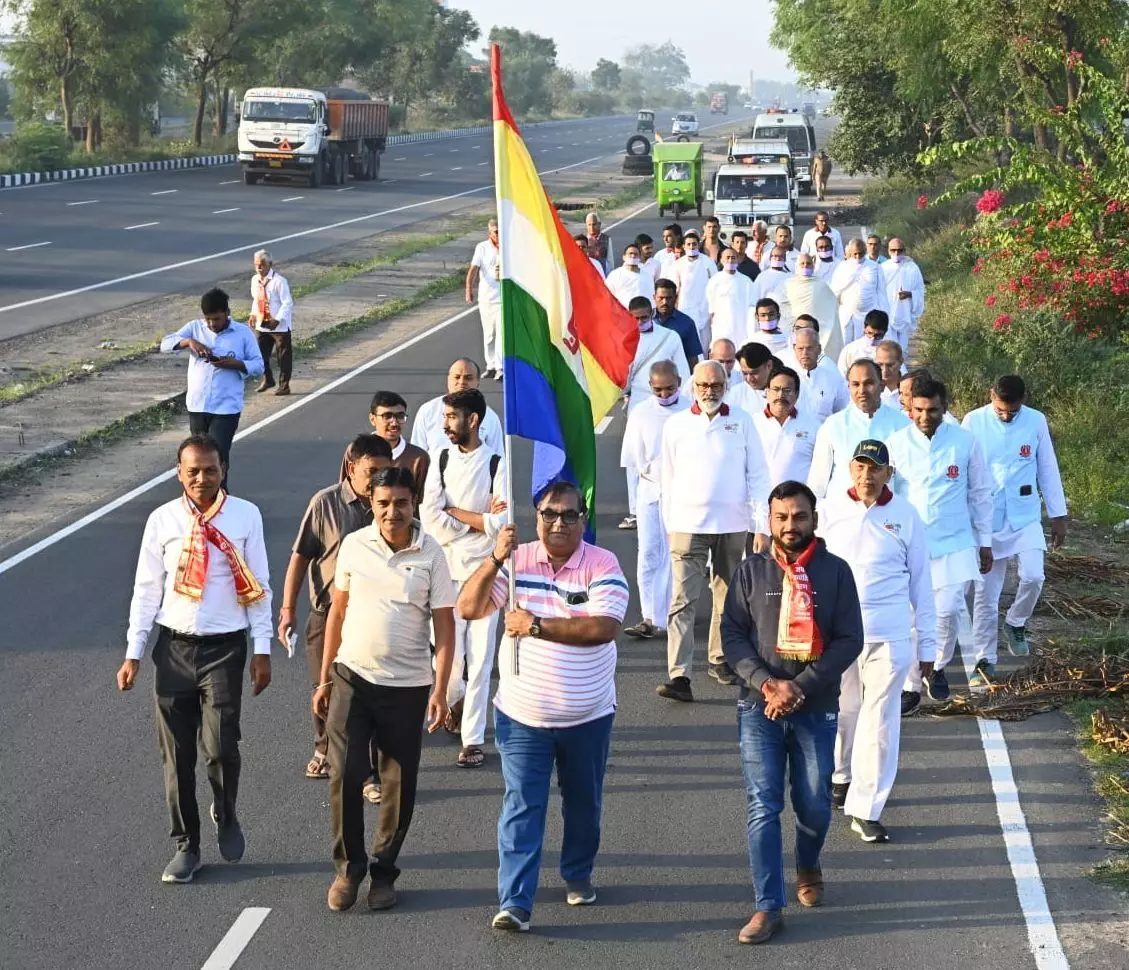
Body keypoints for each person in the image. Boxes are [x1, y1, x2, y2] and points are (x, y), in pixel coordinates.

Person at [456, 483, 629, 933]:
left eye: (569, 515)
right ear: (536, 516)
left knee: (583, 805)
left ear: (583, 520)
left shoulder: (602, 563)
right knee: (521, 807)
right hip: (522, 717)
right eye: (550, 513)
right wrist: (495, 557)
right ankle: (514, 902)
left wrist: (535, 626)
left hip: (587, 717)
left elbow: (603, 627)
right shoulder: (516, 560)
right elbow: (469, 607)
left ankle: (577, 873)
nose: (558, 523)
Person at [117, 435, 273, 883]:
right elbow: (147, 589)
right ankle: (187, 844)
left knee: (221, 745)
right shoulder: (162, 520)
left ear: (223, 469)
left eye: (210, 470)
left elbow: (259, 583)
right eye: (193, 471)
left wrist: (262, 650)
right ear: (178, 473)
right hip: (174, 649)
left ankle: (226, 812)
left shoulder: (246, 515)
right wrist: (134, 652)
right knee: (177, 754)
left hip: (225, 648)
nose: (202, 479)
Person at [721, 480, 863, 944]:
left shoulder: (836, 572)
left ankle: (808, 861)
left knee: (815, 805)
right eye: (781, 517)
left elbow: (849, 639)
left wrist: (799, 688)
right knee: (763, 804)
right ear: (769, 520)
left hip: (815, 705)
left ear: (814, 519)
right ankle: (768, 905)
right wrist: (766, 684)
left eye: (799, 516)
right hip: (758, 706)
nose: (789, 526)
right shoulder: (750, 572)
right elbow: (733, 636)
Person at [314, 466, 456, 913]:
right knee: (345, 772)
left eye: (400, 503)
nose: (392, 512)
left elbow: (446, 628)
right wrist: (323, 677)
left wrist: (440, 689)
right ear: (371, 505)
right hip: (352, 677)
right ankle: (348, 869)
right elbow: (337, 613)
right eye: (383, 503)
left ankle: (384, 870)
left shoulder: (431, 554)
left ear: (413, 504)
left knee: (398, 782)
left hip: (407, 686)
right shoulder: (355, 546)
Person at [820, 441, 934, 843]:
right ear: (850, 469)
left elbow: (922, 584)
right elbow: (810, 569)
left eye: (876, 469)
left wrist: (928, 650)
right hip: (839, 633)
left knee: (880, 718)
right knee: (845, 708)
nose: (867, 476)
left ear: (889, 473)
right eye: (861, 467)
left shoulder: (906, 516)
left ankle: (866, 809)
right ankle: (840, 774)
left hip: (890, 635)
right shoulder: (831, 509)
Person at [281, 434, 393, 787]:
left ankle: (368, 770)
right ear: (351, 468)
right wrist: (287, 608)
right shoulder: (325, 503)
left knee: (370, 692)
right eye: (370, 471)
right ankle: (324, 745)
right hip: (327, 613)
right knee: (324, 683)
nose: (377, 479)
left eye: (384, 471)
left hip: (373, 617)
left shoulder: (389, 506)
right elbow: (300, 557)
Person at [658, 361, 771, 701]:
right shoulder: (676, 425)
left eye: (716, 385)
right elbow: (668, 478)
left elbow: (759, 474)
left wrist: (761, 525)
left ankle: (720, 658)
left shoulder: (742, 421)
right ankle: (679, 674)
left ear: (726, 385)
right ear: (693, 386)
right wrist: (669, 525)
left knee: (728, 598)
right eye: (704, 385)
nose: (710, 391)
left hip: (732, 524)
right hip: (687, 525)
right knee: (682, 600)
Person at [887, 377, 993, 714]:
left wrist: (985, 542)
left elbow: (980, 493)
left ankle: (939, 667)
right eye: (918, 409)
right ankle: (911, 684)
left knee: (947, 611)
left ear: (944, 407)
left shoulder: (965, 442)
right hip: (909, 544)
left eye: (932, 410)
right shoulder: (896, 443)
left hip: (956, 541)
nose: (925, 416)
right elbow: (884, 495)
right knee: (912, 617)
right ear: (909, 407)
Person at [421, 389, 508, 768]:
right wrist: (476, 521)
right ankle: (449, 701)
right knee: (448, 660)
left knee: (482, 656)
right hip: (445, 572)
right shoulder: (439, 459)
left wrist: (457, 513)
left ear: (473, 420)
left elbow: (501, 524)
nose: (445, 424)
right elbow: (431, 519)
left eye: (452, 417)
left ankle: (472, 739)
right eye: (444, 417)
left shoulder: (496, 463)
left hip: (486, 571)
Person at [964, 375, 1067, 685]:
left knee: (1034, 575)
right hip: (987, 519)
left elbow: (1047, 467)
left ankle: (1016, 621)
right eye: (1001, 410)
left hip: (1025, 515)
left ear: (1024, 400)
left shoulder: (1036, 421)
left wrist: (1058, 513)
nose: (1007, 416)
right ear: (990, 396)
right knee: (986, 593)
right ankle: (985, 660)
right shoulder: (973, 421)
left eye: (1013, 410)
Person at [160, 288, 264, 485]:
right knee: (199, 458)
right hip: (198, 407)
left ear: (227, 312)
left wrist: (235, 364)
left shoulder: (242, 333)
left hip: (225, 408)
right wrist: (188, 342)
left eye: (216, 319)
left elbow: (259, 365)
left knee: (217, 458)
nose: (211, 324)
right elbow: (165, 344)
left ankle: (221, 500)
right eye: (208, 319)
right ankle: (200, 501)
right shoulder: (195, 328)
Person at [621, 360, 689, 639]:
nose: (664, 395)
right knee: (648, 553)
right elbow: (632, 461)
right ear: (650, 387)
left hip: (683, 493)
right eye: (658, 390)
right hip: (650, 491)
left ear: (680, 383)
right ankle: (649, 615)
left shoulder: (689, 410)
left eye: (669, 389)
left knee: (679, 553)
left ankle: (676, 609)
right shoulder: (640, 413)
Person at [621, 296, 690, 529]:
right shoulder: (624, 338)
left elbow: (684, 372)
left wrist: (686, 401)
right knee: (637, 456)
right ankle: (635, 509)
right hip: (640, 401)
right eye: (635, 318)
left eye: (644, 317)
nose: (640, 322)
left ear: (652, 313)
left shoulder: (670, 337)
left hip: (672, 400)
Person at [808, 359, 910, 500]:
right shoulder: (833, 425)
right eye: (856, 384)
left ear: (881, 386)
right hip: (841, 513)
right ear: (848, 387)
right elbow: (817, 483)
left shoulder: (902, 425)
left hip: (888, 515)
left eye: (869, 383)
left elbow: (907, 481)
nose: (862, 391)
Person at [341, 391, 430, 507]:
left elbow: (421, 503)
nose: (394, 423)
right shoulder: (355, 450)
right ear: (372, 419)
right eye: (387, 416)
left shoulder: (418, 458)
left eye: (400, 416)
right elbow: (344, 492)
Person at [412, 358, 504, 456]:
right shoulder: (427, 411)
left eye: (468, 378)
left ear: (478, 382)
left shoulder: (490, 417)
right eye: (457, 377)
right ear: (448, 380)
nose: (461, 382)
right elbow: (416, 456)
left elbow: (497, 459)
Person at [755, 365, 821, 487]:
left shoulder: (814, 426)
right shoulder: (751, 424)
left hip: (798, 502)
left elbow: (820, 471)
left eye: (787, 390)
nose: (780, 396)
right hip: (758, 502)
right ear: (767, 392)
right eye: (776, 389)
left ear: (797, 395)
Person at [248, 249, 295, 396]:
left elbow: (287, 303)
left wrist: (278, 319)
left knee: (283, 357)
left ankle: (284, 385)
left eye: (262, 265)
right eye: (256, 265)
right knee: (260, 355)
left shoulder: (279, 281)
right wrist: (252, 314)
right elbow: (256, 299)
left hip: (279, 326)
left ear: (270, 264)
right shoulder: (255, 280)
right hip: (262, 324)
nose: (259, 268)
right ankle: (268, 379)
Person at [786, 324, 849, 425]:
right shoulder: (786, 379)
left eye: (809, 348)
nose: (805, 353)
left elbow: (843, 412)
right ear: (794, 349)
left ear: (819, 349)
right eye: (800, 348)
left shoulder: (833, 379)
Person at [830, 239, 889, 346]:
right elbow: (835, 291)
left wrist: (884, 314)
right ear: (850, 252)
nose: (857, 256)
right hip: (846, 315)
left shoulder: (875, 267)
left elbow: (881, 293)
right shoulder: (843, 267)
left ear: (865, 250)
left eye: (860, 253)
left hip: (867, 315)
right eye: (855, 253)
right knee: (845, 346)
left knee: (864, 347)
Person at [466, 219, 503, 380]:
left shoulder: (509, 247)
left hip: (503, 298)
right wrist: (469, 289)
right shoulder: (482, 248)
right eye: (495, 231)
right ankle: (491, 366)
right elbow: (473, 270)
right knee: (489, 334)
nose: (498, 234)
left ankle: (501, 367)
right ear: (489, 233)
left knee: (501, 334)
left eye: (500, 231)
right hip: (486, 298)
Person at [785, 256, 841, 360]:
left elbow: (832, 307)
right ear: (797, 266)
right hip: (795, 330)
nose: (805, 266)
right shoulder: (788, 285)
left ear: (813, 266)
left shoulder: (822, 285)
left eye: (808, 263)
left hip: (819, 330)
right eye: (802, 263)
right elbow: (784, 309)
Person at [670, 230, 718, 345]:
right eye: (689, 244)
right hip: (685, 308)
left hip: (705, 308)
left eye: (694, 244)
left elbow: (716, 284)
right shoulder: (678, 265)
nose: (692, 246)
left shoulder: (708, 262)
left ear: (698, 245)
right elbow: (674, 289)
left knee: (705, 342)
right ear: (683, 246)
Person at [881, 238, 925, 352]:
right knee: (889, 347)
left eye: (899, 250)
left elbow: (920, 289)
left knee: (902, 349)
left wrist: (910, 294)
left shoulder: (912, 268)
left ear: (904, 251)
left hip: (904, 313)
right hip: (887, 312)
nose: (896, 253)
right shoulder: (883, 268)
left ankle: (901, 368)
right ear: (888, 251)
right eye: (893, 250)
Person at [707, 247, 756, 347]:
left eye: (733, 257)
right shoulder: (715, 280)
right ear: (721, 260)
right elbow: (709, 305)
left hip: (741, 326)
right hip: (720, 325)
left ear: (737, 259)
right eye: (727, 257)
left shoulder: (746, 281)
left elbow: (752, 306)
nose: (730, 260)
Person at [653, 277, 703, 368]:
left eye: (669, 298)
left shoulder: (687, 323)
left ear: (676, 298)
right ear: (654, 297)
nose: (665, 302)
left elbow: (692, 359)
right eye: (661, 298)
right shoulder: (645, 320)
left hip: (677, 377)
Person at [729, 341, 776, 416]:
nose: (749, 378)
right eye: (744, 373)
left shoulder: (790, 390)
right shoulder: (735, 395)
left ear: (769, 365)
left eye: (754, 373)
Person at [837, 309, 890, 376]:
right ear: (864, 328)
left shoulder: (890, 352)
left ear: (885, 332)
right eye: (869, 333)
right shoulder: (850, 350)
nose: (872, 339)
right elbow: (841, 376)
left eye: (878, 336)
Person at [605, 242, 656, 309]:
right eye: (630, 253)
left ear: (640, 257)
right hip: (622, 314)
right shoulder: (615, 275)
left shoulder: (647, 275)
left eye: (636, 254)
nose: (633, 256)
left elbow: (651, 295)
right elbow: (607, 295)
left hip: (643, 314)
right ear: (624, 257)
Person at [875, 340, 904, 409]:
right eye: (880, 364)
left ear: (901, 362)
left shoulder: (912, 388)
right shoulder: (867, 389)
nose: (884, 370)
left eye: (890, 365)